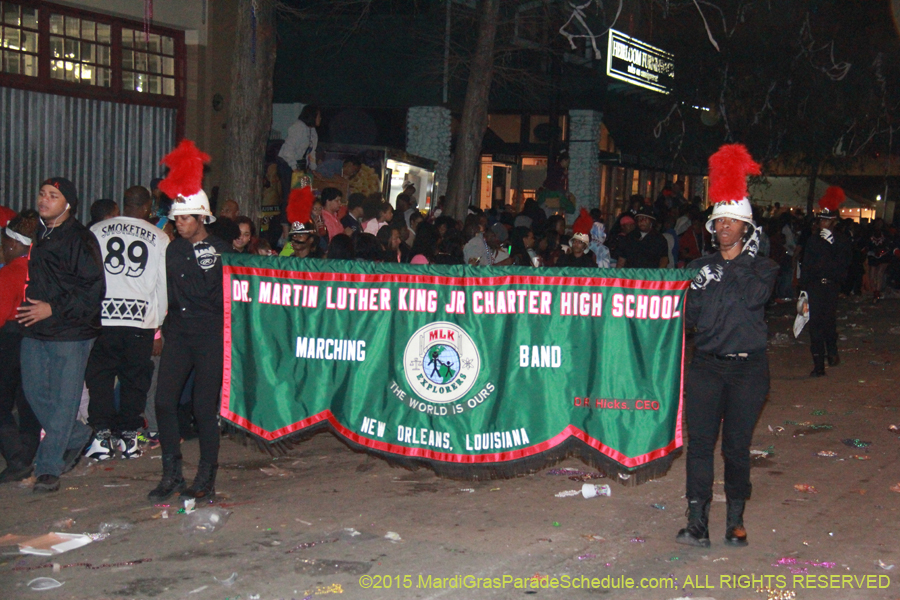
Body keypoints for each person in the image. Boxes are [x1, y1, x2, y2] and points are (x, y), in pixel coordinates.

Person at [677, 144, 778, 548]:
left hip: (747, 370)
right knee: (699, 446)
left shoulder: (763, 268)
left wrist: (737, 263)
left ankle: (735, 520)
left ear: (746, 229)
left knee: (736, 448)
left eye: (732, 223)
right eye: (719, 222)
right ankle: (696, 520)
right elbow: (684, 320)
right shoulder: (697, 269)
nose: (723, 228)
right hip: (705, 366)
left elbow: (754, 298)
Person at [149, 140, 230, 502]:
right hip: (179, 333)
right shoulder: (173, 248)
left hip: (211, 334)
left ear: (202, 218)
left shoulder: (221, 251)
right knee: (164, 401)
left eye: (185, 218)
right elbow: (166, 291)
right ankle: (172, 473)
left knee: (202, 406)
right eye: (176, 218)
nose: (178, 224)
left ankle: (206, 476)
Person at [17, 177, 106, 494]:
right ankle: (77, 435)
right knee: (34, 392)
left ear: (67, 204)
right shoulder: (40, 234)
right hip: (35, 327)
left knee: (64, 401)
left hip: (71, 331)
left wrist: (53, 308)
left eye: (52, 196)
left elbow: (93, 290)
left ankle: (48, 468)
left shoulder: (81, 240)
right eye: (41, 194)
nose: (44, 200)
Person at [84, 186, 169, 461]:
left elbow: (88, 276)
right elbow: (162, 286)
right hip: (139, 321)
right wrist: (158, 327)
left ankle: (101, 437)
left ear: (123, 205)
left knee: (100, 377)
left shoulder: (97, 230)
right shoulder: (158, 237)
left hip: (103, 319)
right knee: (135, 379)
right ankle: (129, 438)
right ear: (147, 207)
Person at [0, 211, 42, 482]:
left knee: (3, 401)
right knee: (29, 401)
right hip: (38, 338)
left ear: (14, 244)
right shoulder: (42, 267)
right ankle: (28, 455)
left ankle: (15, 458)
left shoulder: (10, 272)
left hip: (12, 338)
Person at [800, 187, 851, 377]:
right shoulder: (813, 241)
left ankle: (832, 350)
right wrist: (803, 289)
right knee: (815, 326)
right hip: (814, 286)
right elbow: (806, 264)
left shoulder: (842, 240)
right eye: (821, 220)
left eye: (827, 220)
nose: (823, 223)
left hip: (831, 286)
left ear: (834, 222)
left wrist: (834, 245)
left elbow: (844, 264)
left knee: (828, 323)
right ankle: (818, 365)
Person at [277, 105, 320, 203]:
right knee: (289, 194)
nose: (320, 118)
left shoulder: (312, 130)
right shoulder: (298, 127)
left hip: (298, 164)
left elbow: (311, 151)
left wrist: (313, 169)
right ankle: (286, 217)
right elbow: (288, 150)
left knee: (300, 192)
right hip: (287, 163)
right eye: (318, 116)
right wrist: (294, 168)